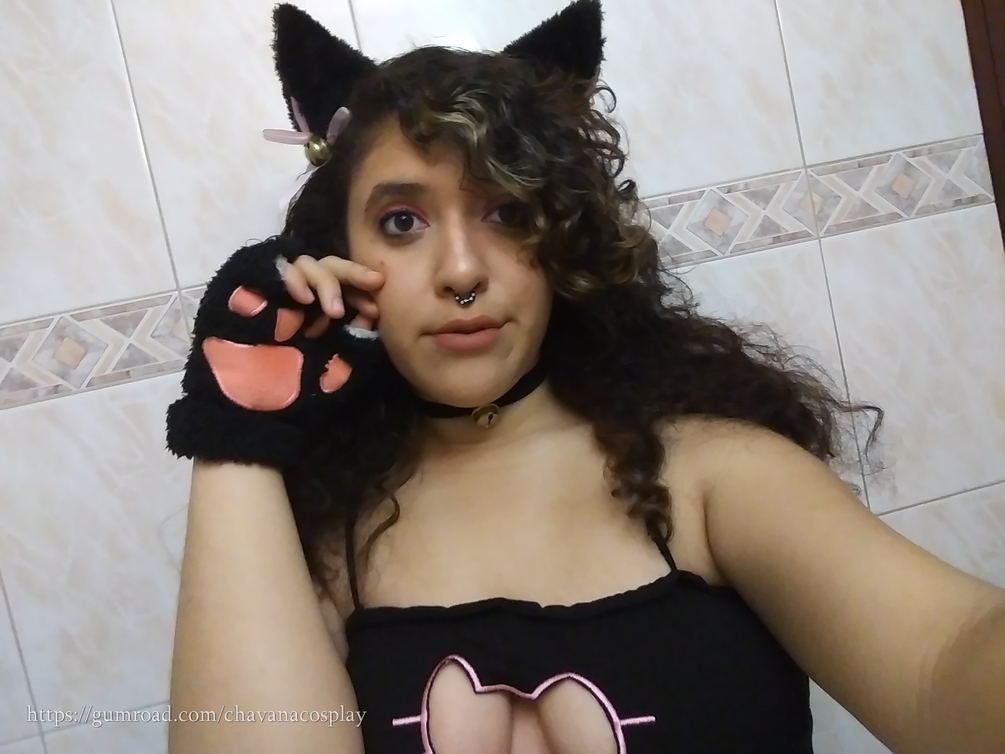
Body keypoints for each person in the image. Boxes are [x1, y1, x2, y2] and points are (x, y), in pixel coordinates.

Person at [164, 2, 1005, 752]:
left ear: (562, 238)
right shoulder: (325, 540)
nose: (461, 270)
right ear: (339, 255)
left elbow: (942, 659)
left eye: (508, 211)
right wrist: (235, 418)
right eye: (402, 221)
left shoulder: (714, 475)